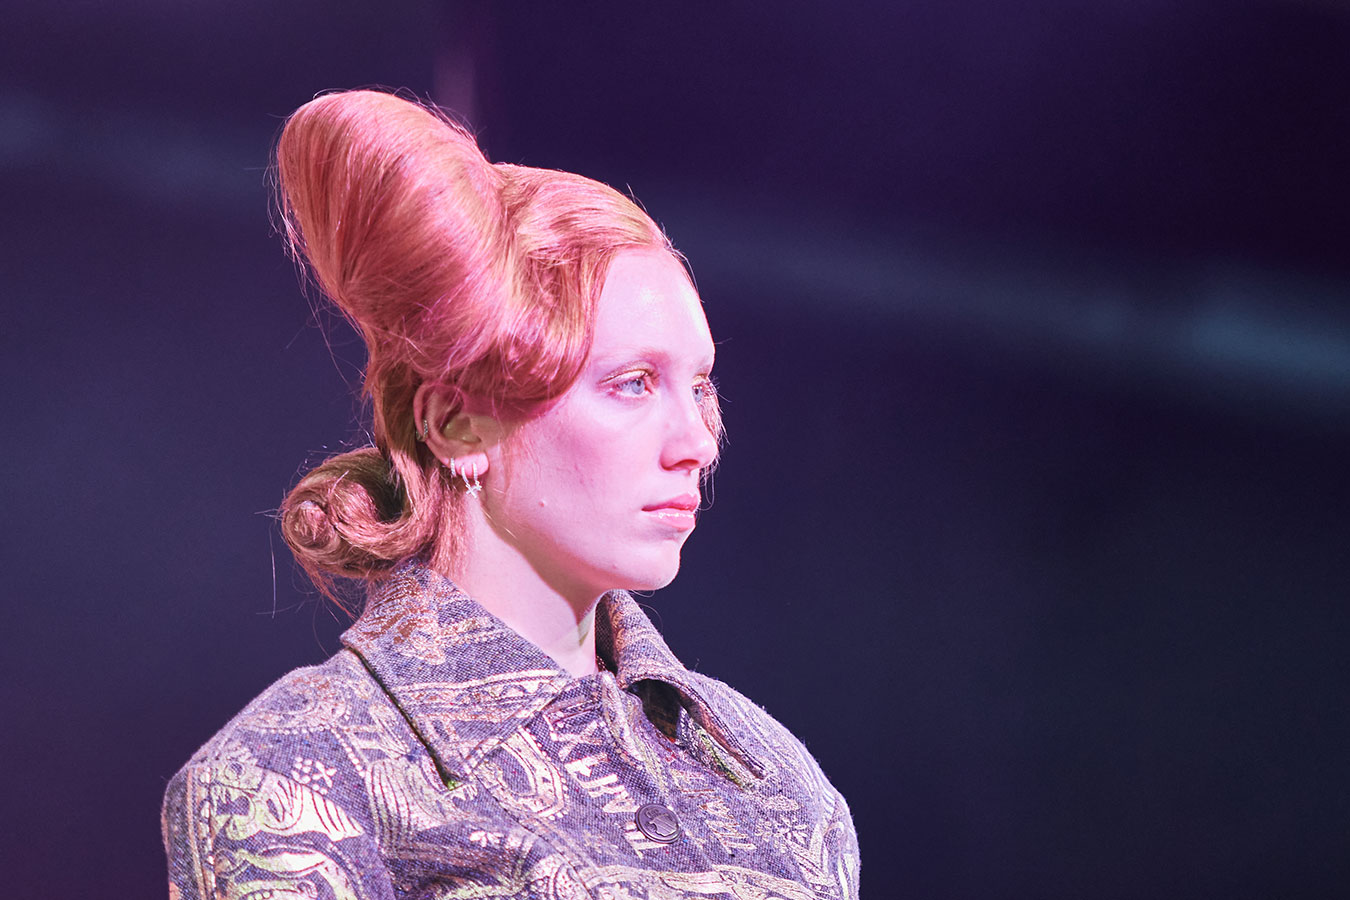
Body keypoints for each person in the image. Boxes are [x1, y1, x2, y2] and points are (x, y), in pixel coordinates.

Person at [161, 88, 859, 900]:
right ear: (458, 425)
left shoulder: (771, 777)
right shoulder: (297, 774)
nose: (698, 443)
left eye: (699, 386)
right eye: (633, 383)